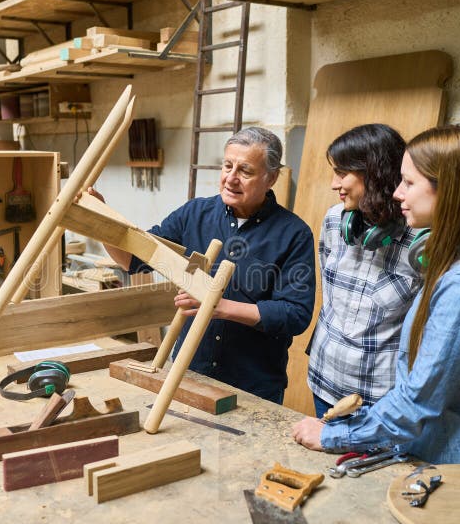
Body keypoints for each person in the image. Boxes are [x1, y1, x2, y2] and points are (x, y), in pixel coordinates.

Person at [291, 124, 460, 478]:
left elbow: (418, 401)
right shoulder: (457, 262)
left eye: (408, 183)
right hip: (443, 451)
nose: (397, 192)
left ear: (449, 190)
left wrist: (333, 435)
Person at [88, 127, 315, 404]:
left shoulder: (293, 234)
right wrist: (100, 219)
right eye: (227, 166)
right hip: (189, 374)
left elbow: (295, 314)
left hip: (253, 387)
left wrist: (220, 307)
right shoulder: (194, 214)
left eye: (245, 171)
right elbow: (133, 261)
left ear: (271, 178)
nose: (231, 178)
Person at [308, 124, 422, 419]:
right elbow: (329, 298)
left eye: (342, 173)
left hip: (380, 397)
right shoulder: (334, 221)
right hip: (324, 380)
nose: (334, 184)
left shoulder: (419, 241)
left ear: (373, 174)